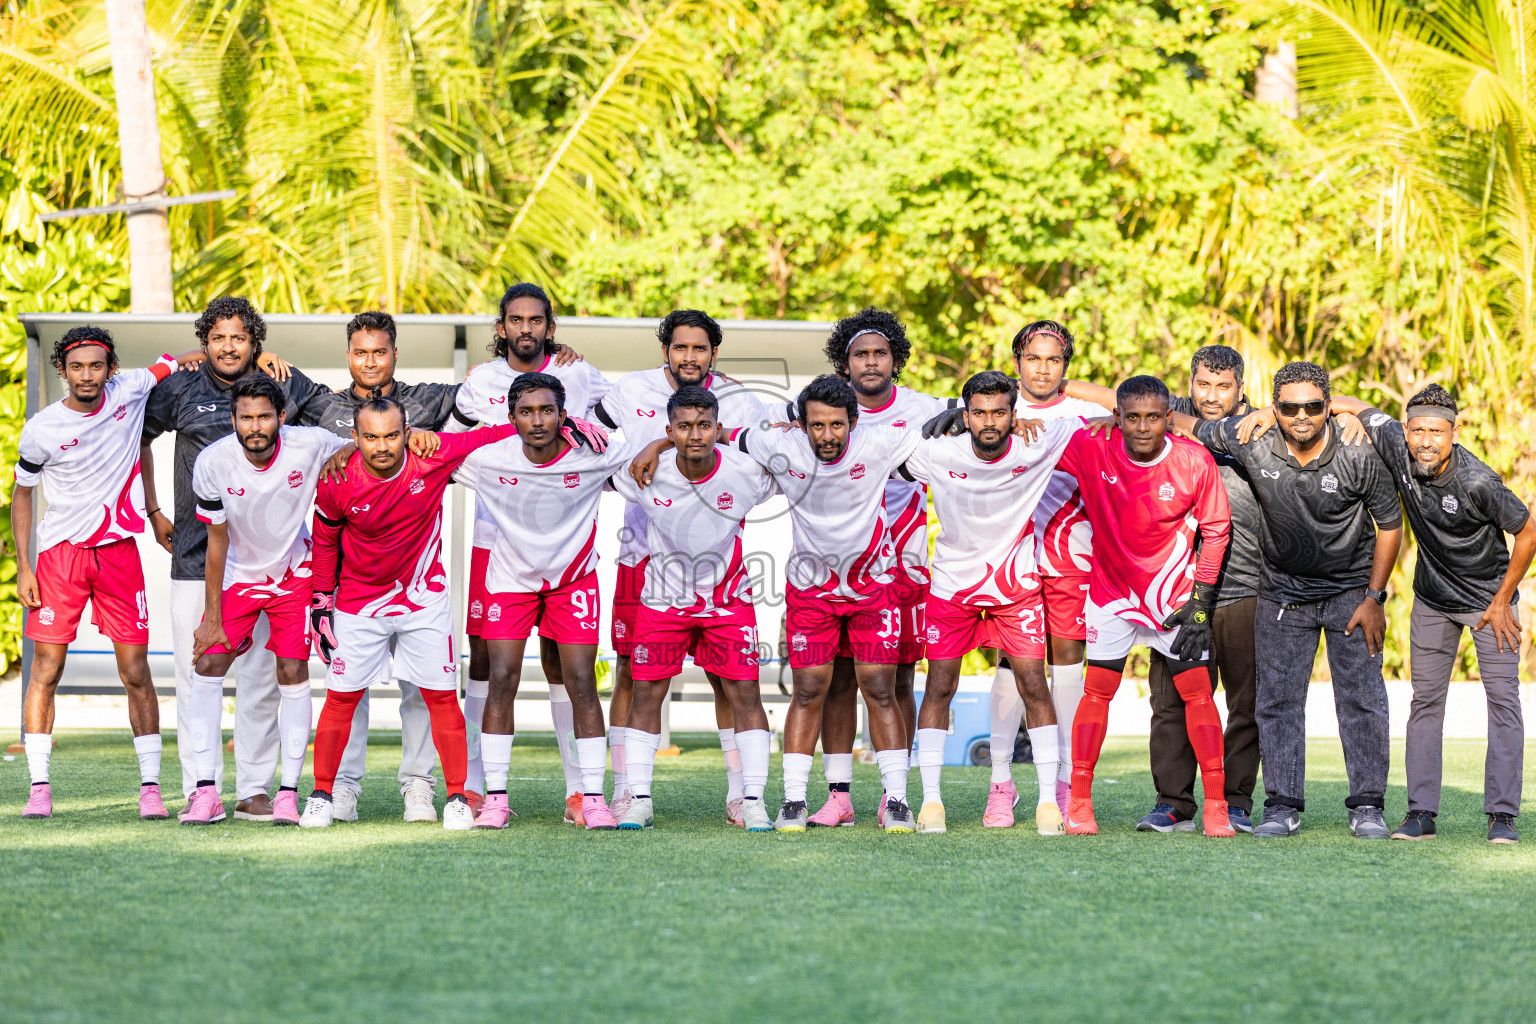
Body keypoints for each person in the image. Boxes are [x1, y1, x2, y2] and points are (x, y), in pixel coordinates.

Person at [1249, 384, 1534, 844]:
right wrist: (1269, 413)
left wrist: (1503, 599)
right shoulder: (1392, 443)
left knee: (1503, 703)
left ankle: (1502, 816)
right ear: (1405, 430)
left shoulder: (1478, 481)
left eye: (1437, 432)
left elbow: (1528, 533)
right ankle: (1421, 813)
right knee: (1425, 703)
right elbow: (1345, 403)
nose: (1426, 440)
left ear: (1454, 433)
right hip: (1432, 600)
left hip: (1489, 604)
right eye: (1418, 430)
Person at [1179, 360, 1402, 839]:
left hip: (1350, 594)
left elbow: (1390, 525)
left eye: (1314, 406)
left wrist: (1374, 597)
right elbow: (1188, 423)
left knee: (1362, 699)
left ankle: (1367, 807)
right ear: (1274, 407)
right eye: (1289, 406)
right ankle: (1282, 806)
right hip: (1283, 593)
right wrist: (1119, 415)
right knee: (1277, 701)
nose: (1302, 415)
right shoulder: (1251, 436)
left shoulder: (1359, 450)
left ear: (1329, 406)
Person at [1063, 345, 1264, 833]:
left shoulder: (1207, 452)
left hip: (1182, 600)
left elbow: (1216, 531)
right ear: (1117, 416)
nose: (1143, 427)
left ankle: (1222, 805)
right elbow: (1024, 451)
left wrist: (1198, 601)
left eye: (1154, 418)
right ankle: (1083, 803)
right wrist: (962, 418)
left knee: (1221, 700)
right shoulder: (1090, 444)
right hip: (1111, 596)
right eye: (1132, 418)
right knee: (1108, 695)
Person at [141, 296, 326, 820]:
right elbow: (139, 435)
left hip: (271, 564)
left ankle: (254, 789)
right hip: (197, 555)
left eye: (239, 338)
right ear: (205, 341)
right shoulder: (181, 385)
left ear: (254, 344)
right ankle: (201, 788)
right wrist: (153, 509)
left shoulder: (280, 382)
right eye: (218, 337)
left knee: (264, 679)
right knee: (195, 670)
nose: (228, 346)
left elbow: (335, 420)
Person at [299, 395, 515, 829]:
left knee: (438, 695)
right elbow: (323, 543)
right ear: (355, 438)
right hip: (360, 602)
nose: (383, 446)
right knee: (341, 698)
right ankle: (323, 793)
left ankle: (454, 797)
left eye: (393, 435)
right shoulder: (338, 478)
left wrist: (567, 427)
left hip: (423, 599)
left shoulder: (432, 458)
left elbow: (491, 435)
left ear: (408, 431)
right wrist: (321, 604)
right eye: (372, 437)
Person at [924, 321, 1108, 823]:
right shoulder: (997, 407)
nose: (1043, 368)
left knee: (1065, 672)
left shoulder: (1083, 413)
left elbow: (1130, 404)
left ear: (1066, 365)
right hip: (1009, 559)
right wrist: (952, 419)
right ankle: (1001, 782)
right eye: (1033, 359)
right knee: (1013, 671)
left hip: (1070, 553)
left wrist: (1069, 391)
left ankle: (1067, 782)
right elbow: (947, 424)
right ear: (1016, 362)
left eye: (1054, 360)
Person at [12, 328, 198, 820]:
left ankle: (151, 789)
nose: (87, 375)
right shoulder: (41, 429)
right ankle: (39, 788)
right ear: (63, 371)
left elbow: (186, 359)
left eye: (96, 366)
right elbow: (23, 494)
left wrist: (260, 358)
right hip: (61, 557)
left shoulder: (132, 387)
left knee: (135, 671)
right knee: (46, 670)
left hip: (118, 553)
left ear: (111, 369)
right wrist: (24, 566)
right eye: (77, 367)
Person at [593, 310, 769, 824]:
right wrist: (653, 443)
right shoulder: (631, 391)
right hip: (643, 551)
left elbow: (762, 449)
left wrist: (663, 441)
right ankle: (629, 790)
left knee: (729, 682)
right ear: (665, 351)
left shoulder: (740, 399)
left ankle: (744, 794)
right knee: (632, 671)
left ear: (714, 353)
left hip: (717, 554)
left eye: (699, 348)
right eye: (680, 348)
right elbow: (597, 439)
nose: (689, 356)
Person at [733, 374, 922, 833]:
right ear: (800, 424)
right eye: (816, 425)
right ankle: (795, 801)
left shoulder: (880, 441)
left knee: (879, 689)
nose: (827, 435)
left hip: (873, 589)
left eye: (837, 425)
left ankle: (895, 800)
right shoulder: (779, 444)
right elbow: (720, 435)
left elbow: (950, 426)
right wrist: (656, 446)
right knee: (809, 691)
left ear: (853, 422)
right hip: (811, 592)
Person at [895, 370, 1079, 835]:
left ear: (1015, 414)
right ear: (966, 413)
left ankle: (1046, 803)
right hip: (953, 588)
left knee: (1034, 685)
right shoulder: (938, 450)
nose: (990, 421)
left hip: (1015, 588)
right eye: (978, 412)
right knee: (938, 687)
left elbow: (1108, 418)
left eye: (1000, 412)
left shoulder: (1039, 442)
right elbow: (879, 444)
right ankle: (931, 803)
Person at [455, 284, 611, 825]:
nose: (526, 329)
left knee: (566, 668)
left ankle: (581, 792)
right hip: (496, 541)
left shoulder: (580, 374)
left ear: (550, 325)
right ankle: (479, 787)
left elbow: (623, 421)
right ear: (501, 327)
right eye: (515, 320)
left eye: (535, 320)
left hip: (566, 542)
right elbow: (454, 442)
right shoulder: (480, 380)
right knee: (490, 664)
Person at [809, 310, 954, 827]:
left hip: (905, 566)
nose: (870, 363)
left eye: (879, 353)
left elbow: (985, 415)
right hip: (839, 566)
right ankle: (839, 795)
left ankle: (897, 791)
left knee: (897, 683)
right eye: (859, 354)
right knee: (838, 680)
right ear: (843, 362)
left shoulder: (926, 407)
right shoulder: (822, 406)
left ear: (895, 358)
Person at [182, 375, 348, 825]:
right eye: (246, 417)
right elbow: (216, 541)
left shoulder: (309, 442)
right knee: (207, 665)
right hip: (238, 575)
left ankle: (287, 795)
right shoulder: (213, 462)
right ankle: (205, 792)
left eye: (264, 417)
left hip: (295, 573)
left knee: (292, 673)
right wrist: (212, 617)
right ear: (233, 418)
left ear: (281, 418)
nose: (255, 426)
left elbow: (358, 444)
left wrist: (340, 456)